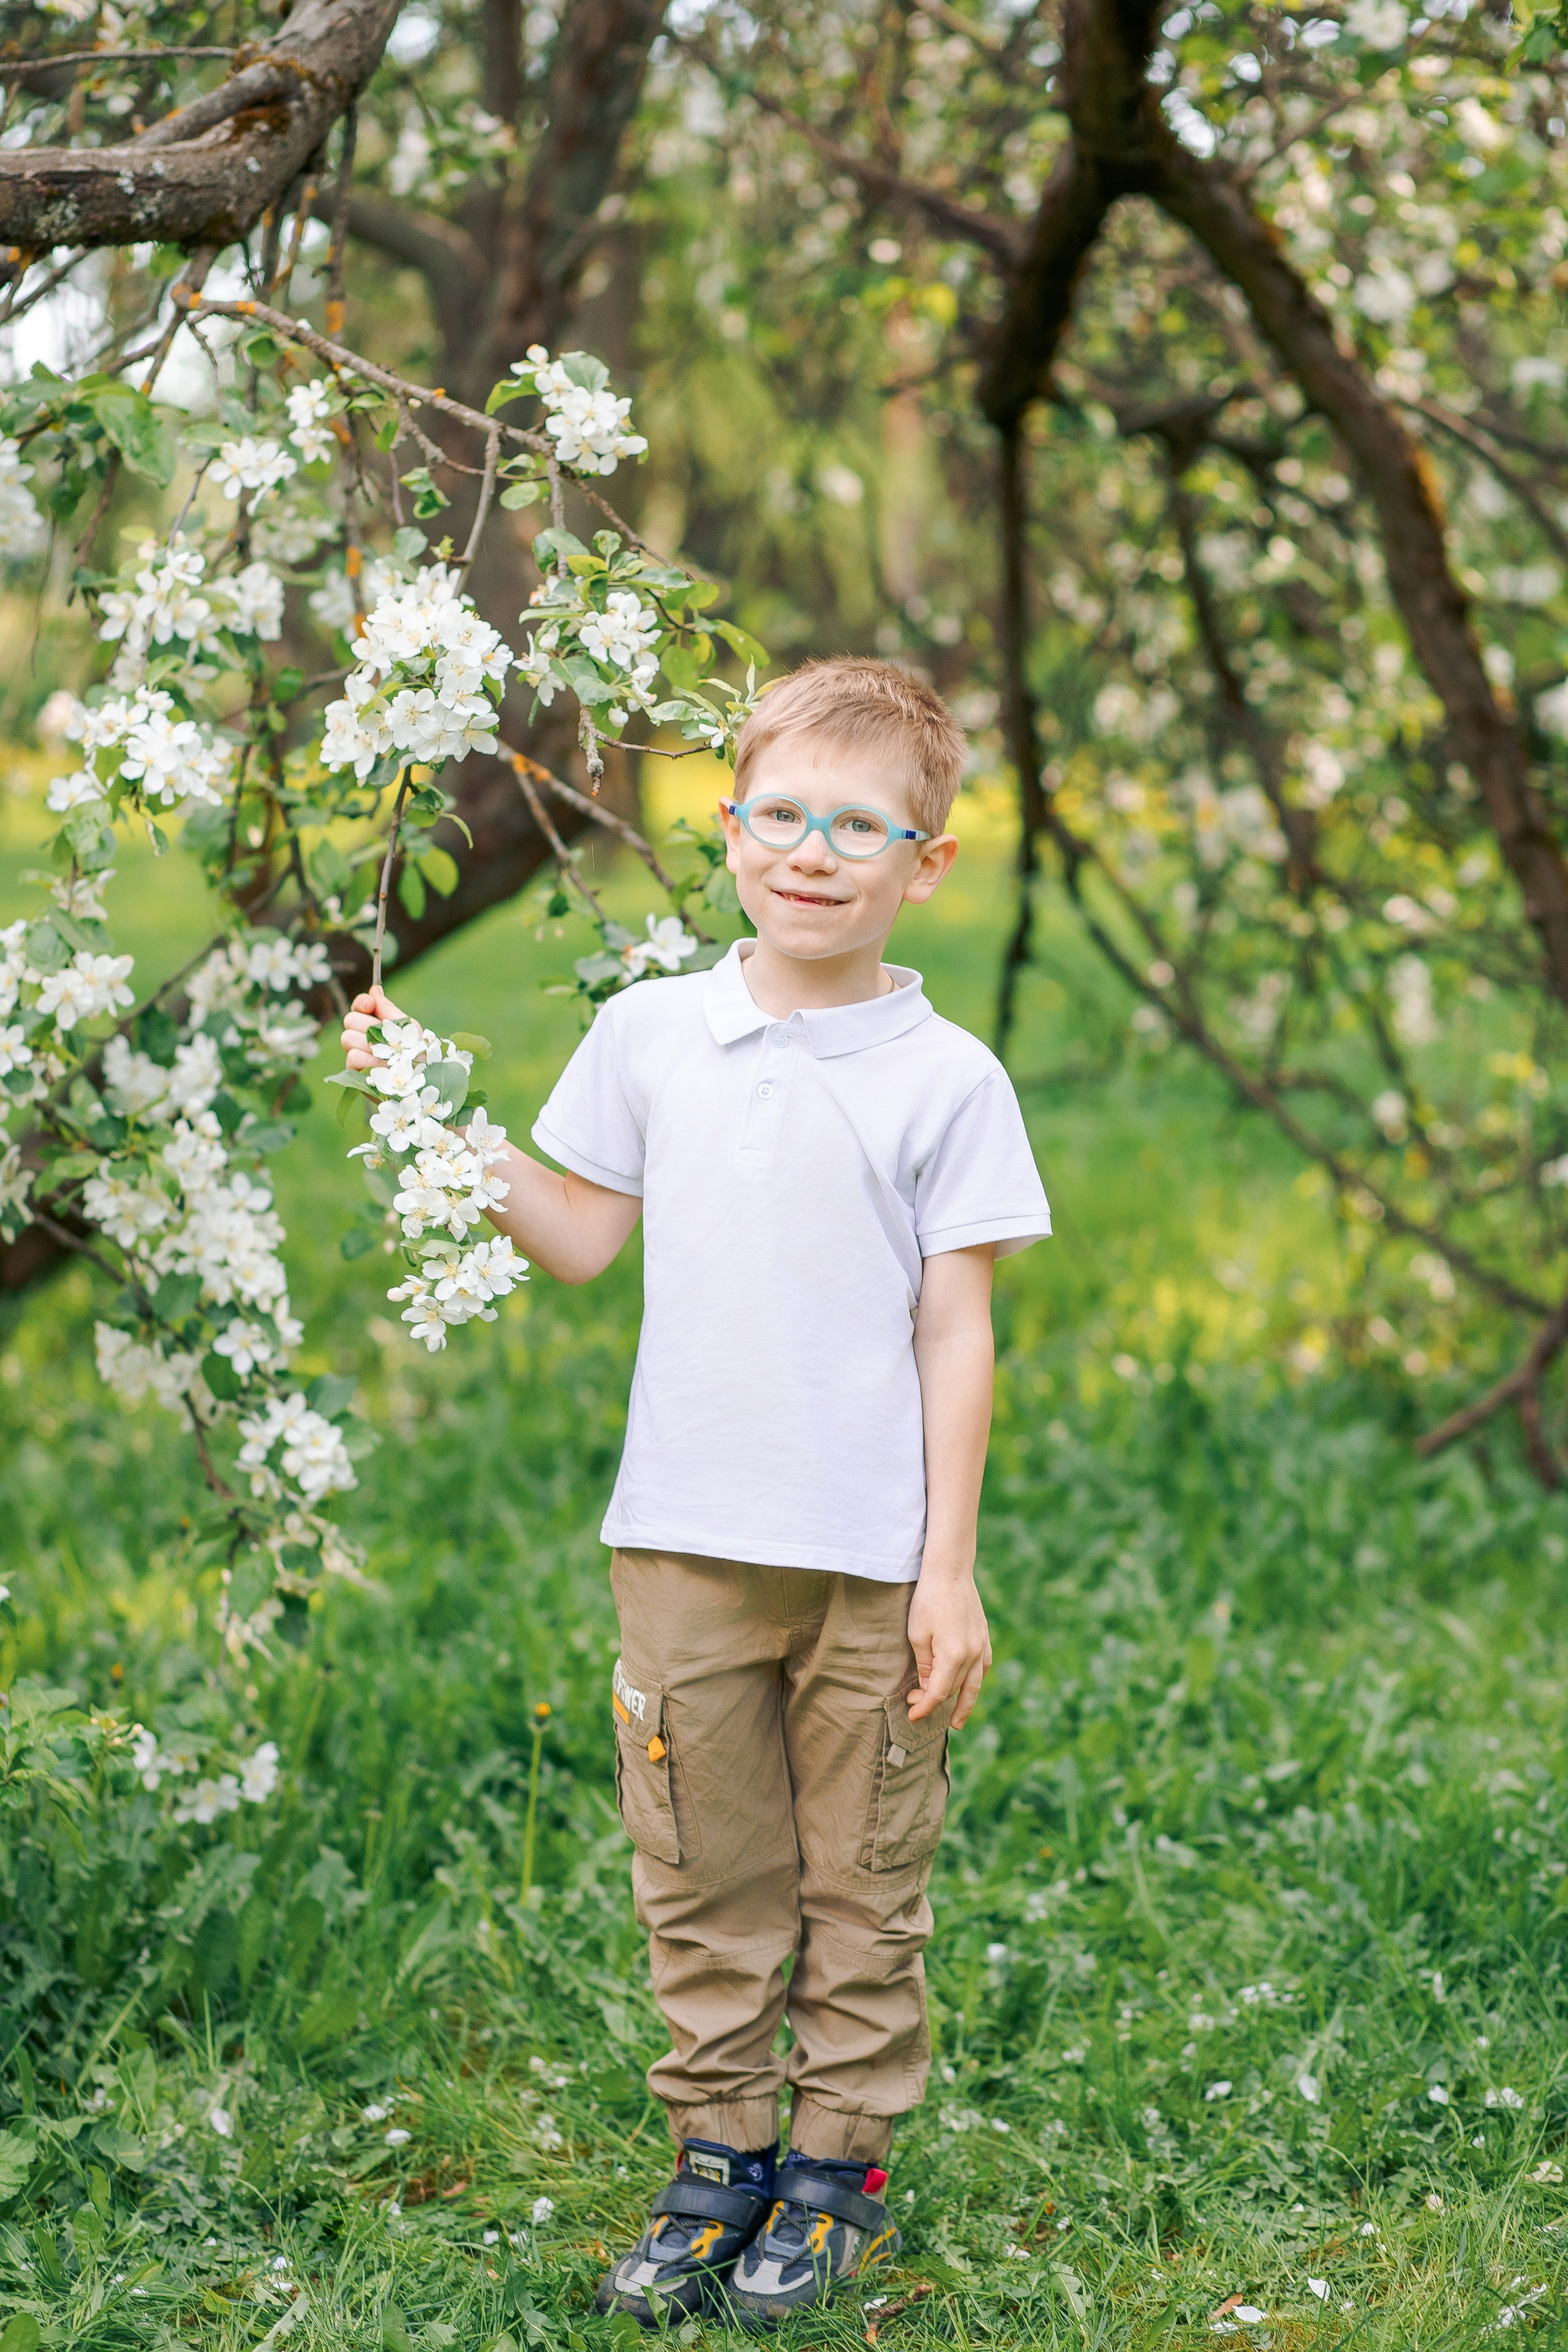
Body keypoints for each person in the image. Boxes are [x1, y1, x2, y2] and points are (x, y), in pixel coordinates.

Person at [341, 657, 1050, 2331]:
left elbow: (958, 1328)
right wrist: (436, 1111)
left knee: (863, 1878)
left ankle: (838, 2173)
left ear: (925, 861)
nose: (813, 852)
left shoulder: (948, 1079)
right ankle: (721, 2157)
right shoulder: (653, 1029)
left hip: (872, 1558)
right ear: (727, 830)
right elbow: (583, 1235)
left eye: (858, 827)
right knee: (704, 1872)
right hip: (680, 1542)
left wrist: (950, 1569)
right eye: (781, 816)